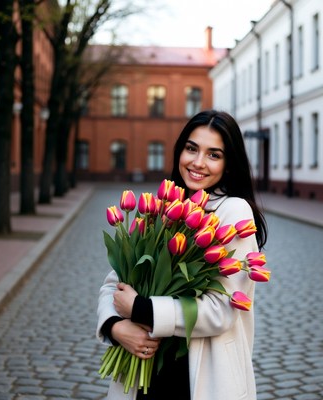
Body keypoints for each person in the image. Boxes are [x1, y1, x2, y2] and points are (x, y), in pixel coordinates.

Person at [96, 109, 268, 400]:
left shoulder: (232, 211)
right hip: (142, 373)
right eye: (191, 149)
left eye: (214, 154)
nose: (198, 163)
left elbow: (221, 310)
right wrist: (116, 327)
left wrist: (141, 310)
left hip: (198, 378)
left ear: (228, 164)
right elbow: (115, 285)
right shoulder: (164, 207)